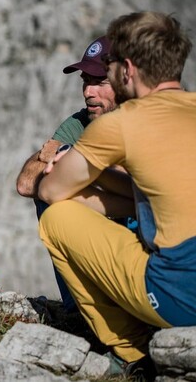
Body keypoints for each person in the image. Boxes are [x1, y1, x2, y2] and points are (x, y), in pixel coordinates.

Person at [39, 11, 196, 378]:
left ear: (127, 69)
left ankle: (132, 351)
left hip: (181, 298)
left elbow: (50, 190)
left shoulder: (121, 123)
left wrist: (78, 174)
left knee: (56, 219)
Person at [16, 36, 132, 311]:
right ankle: (79, 309)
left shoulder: (142, 119)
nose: (87, 92)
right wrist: (69, 155)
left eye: (99, 82)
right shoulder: (82, 121)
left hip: (146, 248)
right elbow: (26, 182)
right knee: (49, 195)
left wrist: (77, 159)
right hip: (101, 241)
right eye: (85, 81)